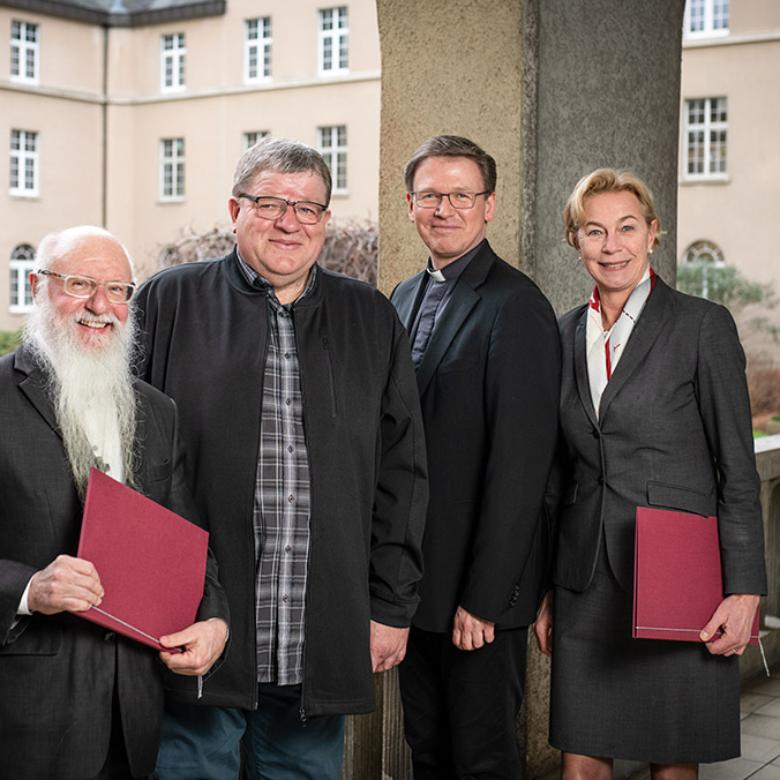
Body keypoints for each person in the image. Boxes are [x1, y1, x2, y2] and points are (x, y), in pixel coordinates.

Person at [134, 138, 428, 779]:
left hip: (317, 628)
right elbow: (129, 458)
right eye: (270, 204)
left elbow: (403, 474)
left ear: (326, 221)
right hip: (197, 624)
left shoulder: (370, 318)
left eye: (308, 208)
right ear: (234, 209)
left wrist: (390, 606)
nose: (289, 222)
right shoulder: (168, 303)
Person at [534, 169, 767, 779]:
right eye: (595, 231)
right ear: (575, 241)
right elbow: (557, 473)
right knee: (579, 758)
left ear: (653, 234)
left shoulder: (701, 325)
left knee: (671, 758)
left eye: (627, 228)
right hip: (584, 578)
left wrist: (745, 591)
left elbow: (737, 469)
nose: (612, 245)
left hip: (676, 572)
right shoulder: (559, 334)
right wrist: (545, 588)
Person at [0, 226, 229, 780]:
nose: (101, 307)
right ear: (38, 285)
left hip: (134, 715)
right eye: (79, 284)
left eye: (119, 291)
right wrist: (29, 589)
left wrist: (214, 620)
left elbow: (185, 538)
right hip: (24, 717)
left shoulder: (155, 410)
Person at [390, 135, 561, 779]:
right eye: (431, 194)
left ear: (489, 206)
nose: (445, 208)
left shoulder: (516, 305)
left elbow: (521, 467)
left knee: (483, 761)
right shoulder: (403, 297)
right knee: (427, 752)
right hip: (415, 585)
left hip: (476, 599)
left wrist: (486, 598)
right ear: (410, 204)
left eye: (462, 195)